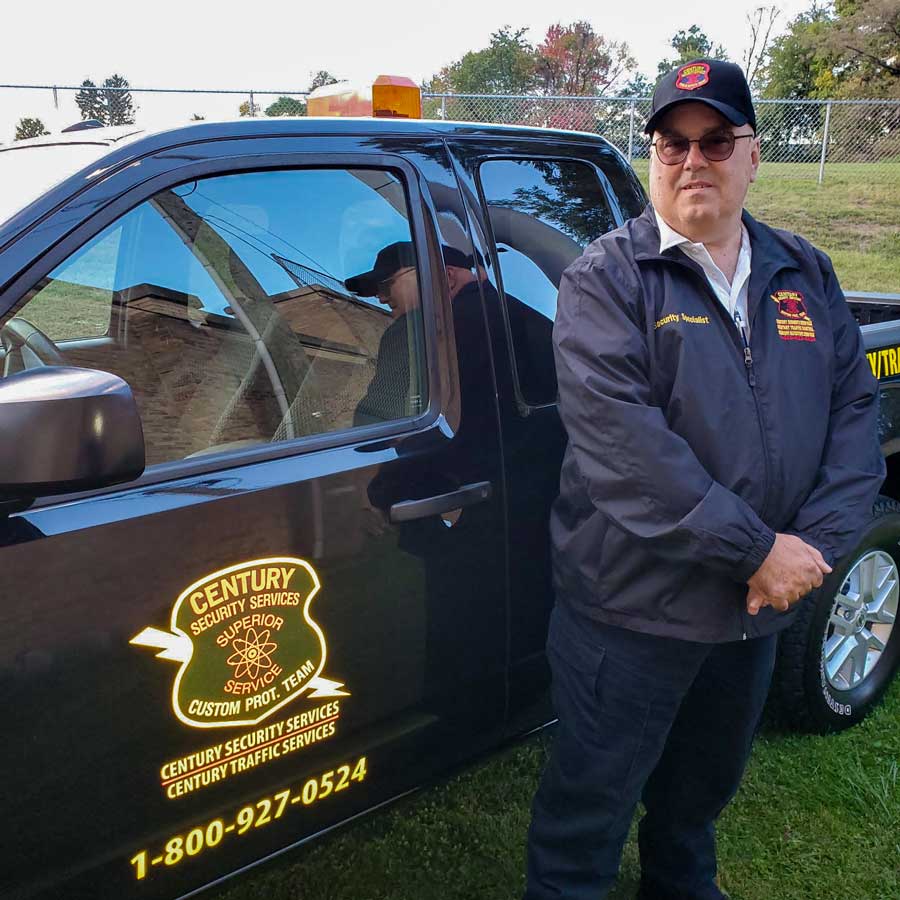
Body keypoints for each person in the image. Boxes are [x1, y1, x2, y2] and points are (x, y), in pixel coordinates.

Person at [524, 59, 885, 900]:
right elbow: (626, 452)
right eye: (672, 143)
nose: (693, 160)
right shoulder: (606, 279)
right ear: (652, 157)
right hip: (632, 611)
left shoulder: (804, 272)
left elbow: (854, 417)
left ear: (753, 155)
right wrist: (757, 552)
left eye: (716, 140)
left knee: (697, 800)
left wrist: (806, 553)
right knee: (588, 812)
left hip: (753, 611)